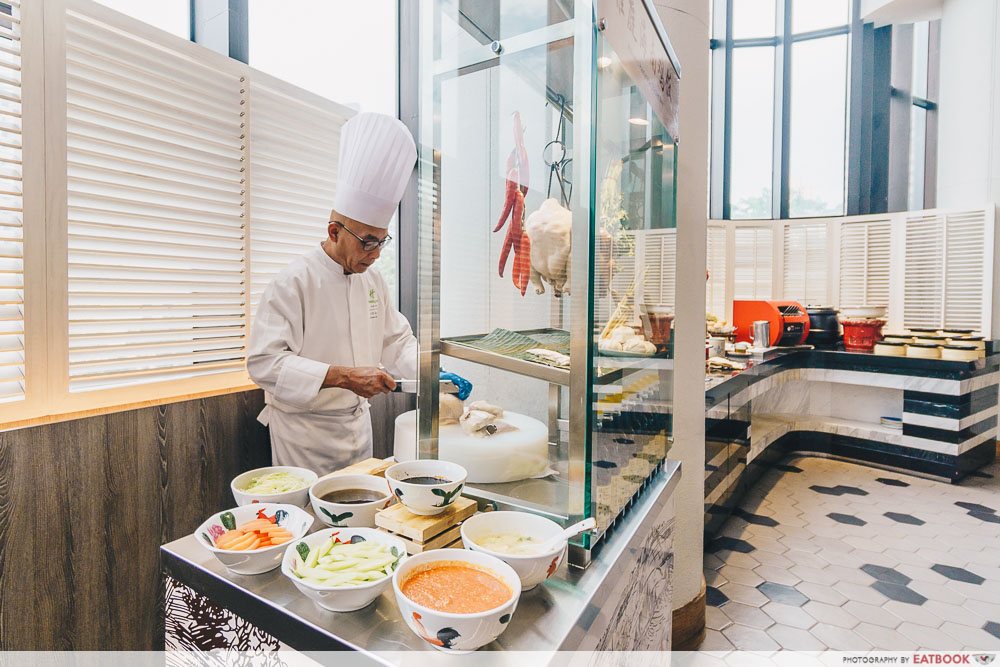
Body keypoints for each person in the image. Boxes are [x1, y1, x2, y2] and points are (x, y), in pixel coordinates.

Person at [247, 112, 418, 473]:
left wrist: (434, 372)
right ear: (334, 230)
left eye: (381, 242)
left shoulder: (373, 280)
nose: (375, 254)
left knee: (360, 523)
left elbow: (396, 341)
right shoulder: (292, 282)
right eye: (367, 242)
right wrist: (343, 376)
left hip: (358, 428)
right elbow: (264, 362)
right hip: (305, 437)